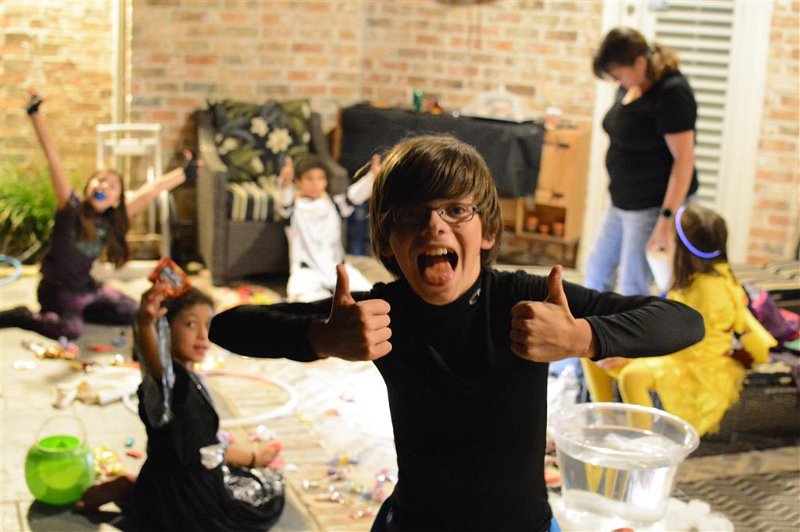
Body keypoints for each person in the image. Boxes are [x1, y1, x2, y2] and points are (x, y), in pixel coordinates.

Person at [209, 135, 704, 531]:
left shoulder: (525, 299)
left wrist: (584, 338)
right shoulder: (380, 312)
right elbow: (227, 326)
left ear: (488, 232)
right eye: (412, 214)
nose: (434, 226)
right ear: (387, 240)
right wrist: (321, 338)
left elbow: (685, 321)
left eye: (456, 210)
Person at [76, 283, 285, 530]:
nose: (203, 335)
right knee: (265, 497)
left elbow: (203, 441)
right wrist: (145, 323)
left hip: (168, 482)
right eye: (191, 324)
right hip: (183, 496)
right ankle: (135, 492)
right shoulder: (169, 381)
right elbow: (156, 368)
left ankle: (135, 491)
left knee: (262, 485)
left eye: (207, 325)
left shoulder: (189, 377)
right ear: (164, 329)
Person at [0, 92, 190, 340]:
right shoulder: (71, 208)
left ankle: (84, 311)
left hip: (87, 288)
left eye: (112, 185)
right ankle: (23, 316)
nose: (104, 186)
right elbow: (53, 158)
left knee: (133, 311)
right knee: (72, 331)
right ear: (89, 186)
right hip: (58, 292)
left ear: (116, 200)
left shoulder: (114, 217)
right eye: (100, 180)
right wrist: (34, 114)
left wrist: (185, 173)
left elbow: (151, 190)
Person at [581, 205, 777, 437]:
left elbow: (690, 343)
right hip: (677, 351)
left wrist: (634, 355)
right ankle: (606, 420)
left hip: (697, 364)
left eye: (671, 237)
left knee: (633, 377)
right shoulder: (693, 278)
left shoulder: (710, 289)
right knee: (592, 348)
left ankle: (641, 441)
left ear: (681, 247)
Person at [584, 27, 699, 296]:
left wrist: (666, 220)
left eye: (618, 74)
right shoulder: (630, 86)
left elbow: (684, 160)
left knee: (633, 285)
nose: (616, 81)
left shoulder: (672, 93)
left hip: (651, 205)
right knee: (596, 273)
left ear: (640, 62)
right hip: (622, 201)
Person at [278, 152, 380, 302]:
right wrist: (285, 183)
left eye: (320, 178)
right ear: (298, 181)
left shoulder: (335, 204)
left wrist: (372, 177)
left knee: (370, 297)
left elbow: (355, 195)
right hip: (308, 270)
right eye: (309, 178)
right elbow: (284, 201)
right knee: (302, 299)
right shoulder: (293, 208)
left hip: (336, 267)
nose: (315, 183)